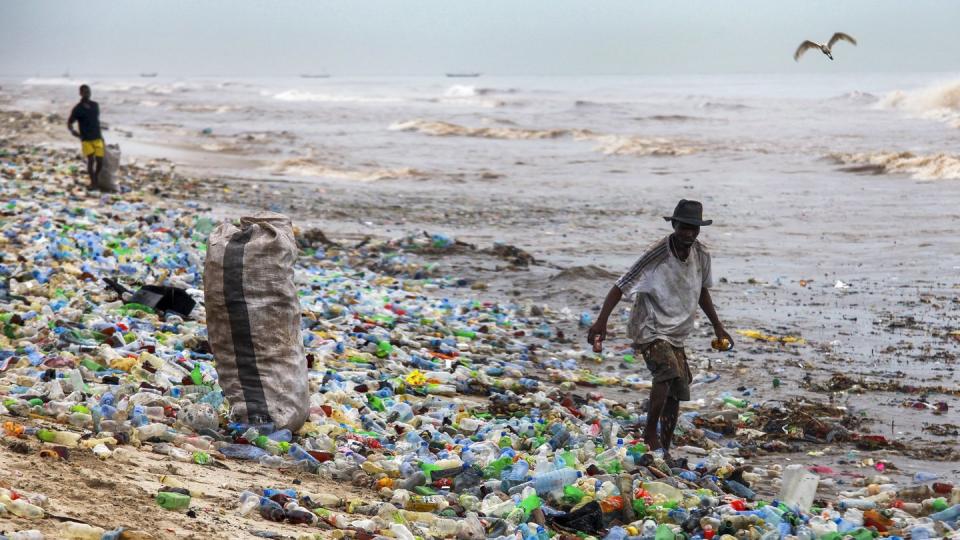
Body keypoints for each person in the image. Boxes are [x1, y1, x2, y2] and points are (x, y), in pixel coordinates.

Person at [587, 199, 733, 461]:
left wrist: (718, 327)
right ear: (674, 224)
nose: (688, 233)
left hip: (676, 330)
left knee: (679, 388)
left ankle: (664, 446)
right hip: (650, 325)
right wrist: (601, 322)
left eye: (694, 229)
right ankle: (649, 433)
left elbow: (702, 291)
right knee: (667, 372)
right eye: (684, 227)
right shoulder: (658, 253)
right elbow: (621, 285)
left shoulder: (701, 255)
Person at [67, 84, 104, 190]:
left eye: (89, 91)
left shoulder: (95, 105)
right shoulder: (78, 109)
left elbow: (96, 121)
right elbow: (70, 122)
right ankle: (94, 183)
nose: (87, 93)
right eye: (85, 92)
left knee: (100, 161)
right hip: (86, 139)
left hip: (97, 137)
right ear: (80, 93)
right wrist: (73, 132)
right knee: (91, 160)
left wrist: (102, 137)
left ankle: (95, 178)